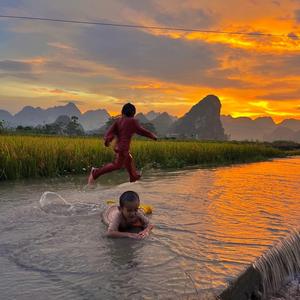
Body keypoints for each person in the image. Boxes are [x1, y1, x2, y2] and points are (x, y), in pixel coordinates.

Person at [88, 103, 157, 184]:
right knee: (117, 165)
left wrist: (108, 140)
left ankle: (133, 177)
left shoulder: (119, 121)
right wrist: (152, 136)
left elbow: (110, 132)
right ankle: (96, 172)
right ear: (133, 113)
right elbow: (141, 131)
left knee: (129, 159)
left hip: (119, 147)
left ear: (122, 112)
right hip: (123, 148)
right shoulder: (132, 121)